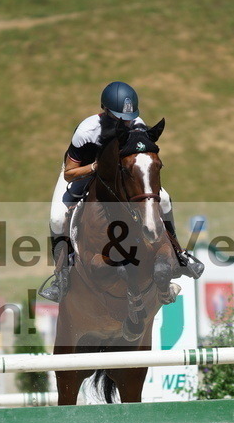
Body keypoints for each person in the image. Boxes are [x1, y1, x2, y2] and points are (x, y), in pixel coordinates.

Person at [39, 81, 204, 303]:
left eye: (128, 117)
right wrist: (95, 167)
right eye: (119, 117)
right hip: (83, 171)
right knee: (57, 218)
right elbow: (70, 173)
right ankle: (61, 276)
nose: (125, 122)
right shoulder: (87, 131)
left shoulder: (137, 124)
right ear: (105, 110)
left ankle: (178, 254)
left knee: (163, 199)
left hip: (121, 176)